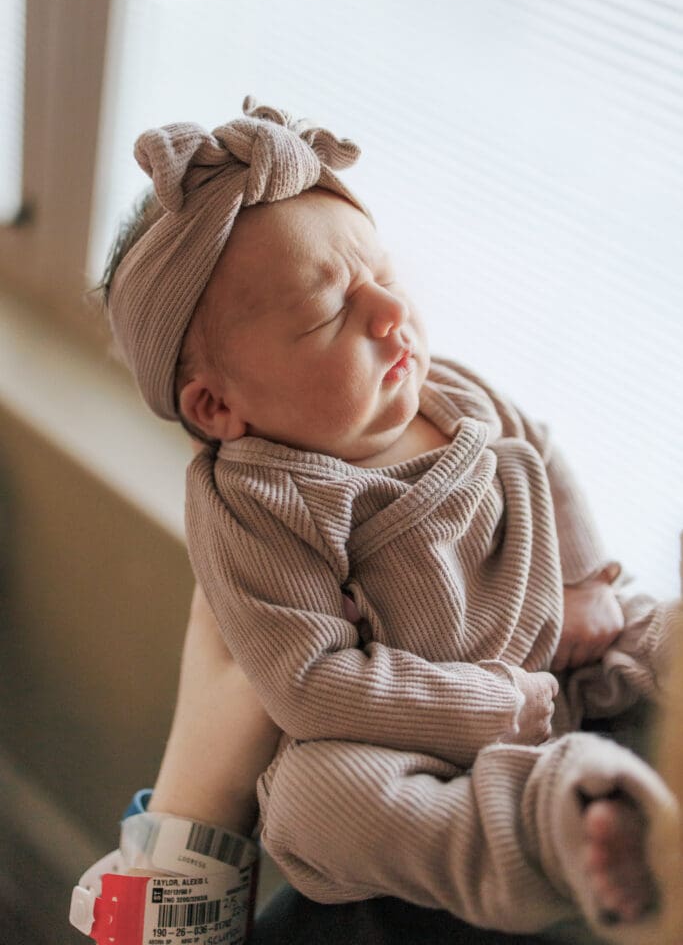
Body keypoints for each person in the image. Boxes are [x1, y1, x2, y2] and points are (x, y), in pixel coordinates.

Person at [102, 98, 680, 942]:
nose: (388, 312)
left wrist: (587, 581)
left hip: (564, 638)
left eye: (383, 272)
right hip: (417, 741)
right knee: (312, 805)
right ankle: (562, 824)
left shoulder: (444, 387)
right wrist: (487, 706)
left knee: (656, 627)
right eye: (330, 310)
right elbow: (310, 685)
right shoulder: (258, 505)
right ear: (218, 405)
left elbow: (541, 452)